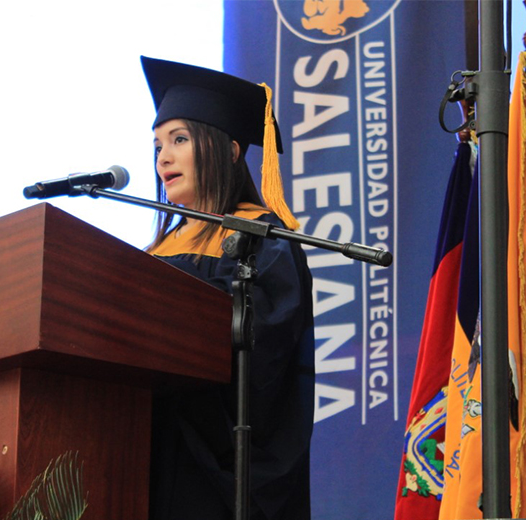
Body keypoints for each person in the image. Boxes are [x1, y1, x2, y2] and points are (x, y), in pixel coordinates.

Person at [141, 56, 315, 520]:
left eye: (179, 139)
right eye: (158, 144)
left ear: (230, 150)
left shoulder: (262, 240)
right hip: (141, 454)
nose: (164, 156)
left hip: (215, 472)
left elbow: (262, 365)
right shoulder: (153, 253)